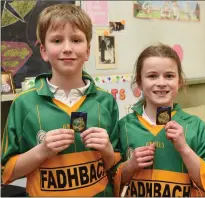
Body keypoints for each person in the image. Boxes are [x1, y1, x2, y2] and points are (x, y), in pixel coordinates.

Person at [1, 4, 120, 197]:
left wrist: (107, 150)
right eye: (57, 40)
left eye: (76, 40)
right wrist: (42, 151)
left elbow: (114, 165)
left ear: (88, 51)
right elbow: (6, 173)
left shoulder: (106, 102)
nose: (67, 48)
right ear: (44, 51)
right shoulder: (23, 104)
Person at [113, 44, 205, 197]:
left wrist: (185, 149)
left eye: (169, 76)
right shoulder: (123, 126)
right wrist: (130, 165)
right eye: (152, 76)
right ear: (139, 82)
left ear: (179, 81)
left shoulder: (196, 127)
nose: (161, 83)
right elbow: (109, 179)